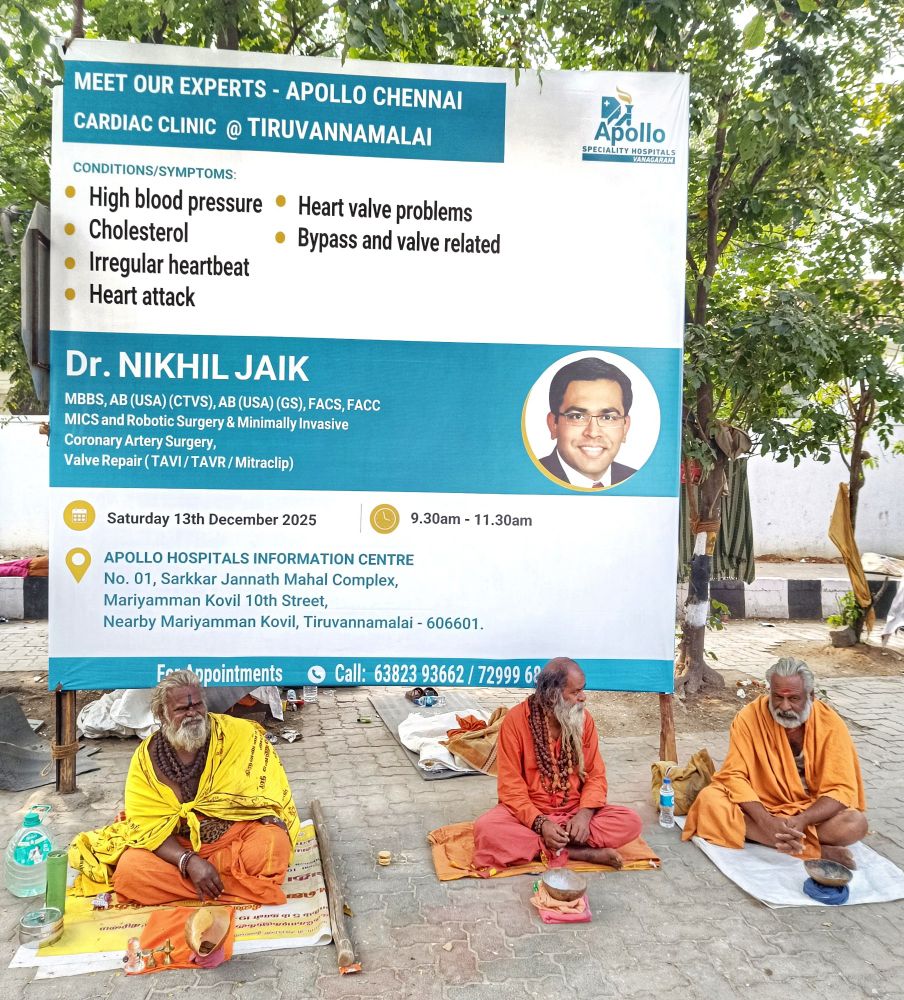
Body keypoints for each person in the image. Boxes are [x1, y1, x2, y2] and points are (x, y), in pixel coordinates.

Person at [69, 670, 300, 905]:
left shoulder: (236, 734)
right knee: (130, 872)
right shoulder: (146, 759)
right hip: (177, 849)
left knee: (274, 844)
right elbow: (148, 827)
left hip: (230, 837)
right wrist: (188, 861)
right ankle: (233, 888)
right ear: (162, 714)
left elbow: (262, 782)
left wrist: (265, 810)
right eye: (181, 709)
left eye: (197, 705)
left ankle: (204, 887)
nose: (192, 714)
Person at [682, 657, 867, 867]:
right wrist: (766, 821)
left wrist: (803, 819)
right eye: (778, 697)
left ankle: (772, 838)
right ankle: (814, 849)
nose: (784, 706)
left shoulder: (831, 724)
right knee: (710, 801)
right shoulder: (749, 717)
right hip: (763, 805)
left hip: (810, 809)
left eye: (794, 699)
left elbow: (841, 789)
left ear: (811, 696)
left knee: (855, 824)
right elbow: (734, 775)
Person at [472, 657, 643, 869]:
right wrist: (541, 823)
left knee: (631, 821)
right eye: (575, 692)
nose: (583, 697)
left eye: (582, 690)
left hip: (574, 811)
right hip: (530, 816)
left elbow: (595, 775)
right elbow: (510, 788)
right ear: (553, 696)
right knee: (486, 830)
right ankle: (577, 852)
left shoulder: (584, 720)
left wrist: (584, 815)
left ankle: (549, 847)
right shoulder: (515, 722)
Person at [540, 356, 636, 488]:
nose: (593, 432)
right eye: (577, 416)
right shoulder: (525, 480)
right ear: (553, 424)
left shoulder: (640, 482)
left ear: (625, 427)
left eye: (607, 418)